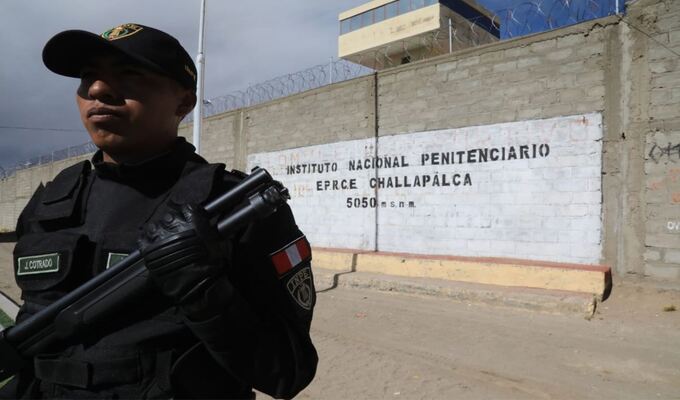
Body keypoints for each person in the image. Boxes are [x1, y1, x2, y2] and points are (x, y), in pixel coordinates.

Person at [0, 23, 317, 399]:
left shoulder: (233, 207)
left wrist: (203, 289)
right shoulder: (49, 204)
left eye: (129, 74)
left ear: (184, 103)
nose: (97, 90)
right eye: (88, 77)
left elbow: (288, 372)